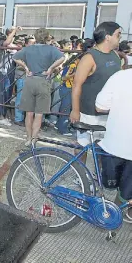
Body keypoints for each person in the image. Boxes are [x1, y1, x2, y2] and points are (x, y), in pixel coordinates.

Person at [70, 21, 121, 163]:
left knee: (104, 147)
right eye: (118, 34)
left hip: (109, 111)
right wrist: (75, 110)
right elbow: (76, 85)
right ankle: (80, 175)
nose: (120, 38)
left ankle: (99, 177)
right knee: (82, 145)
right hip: (89, 111)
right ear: (107, 36)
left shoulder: (115, 55)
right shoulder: (89, 57)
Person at [13, 28, 64, 146]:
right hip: (43, 81)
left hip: (30, 80)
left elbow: (15, 57)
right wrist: (51, 68)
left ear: (35, 37)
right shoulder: (51, 49)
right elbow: (62, 58)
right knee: (39, 114)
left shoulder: (28, 48)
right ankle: (34, 139)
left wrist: (26, 68)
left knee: (29, 113)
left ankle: (28, 138)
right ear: (47, 37)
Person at [95, 68, 132, 221]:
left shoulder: (120, 76)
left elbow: (100, 107)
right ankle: (123, 207)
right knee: (127, 188)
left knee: (110, 183)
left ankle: (114, 209)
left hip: (113, 145)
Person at [14, 36, 36, 126]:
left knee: (29, 99)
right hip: (22, 77)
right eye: (31, 42)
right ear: (26, 44)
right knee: (20, 98)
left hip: (31, 78)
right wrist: (26, 67)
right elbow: (16, 61)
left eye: (34, 43)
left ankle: (25, 118)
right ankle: (18, 118)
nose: (33, 44)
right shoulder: (22, 52)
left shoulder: (35, 53)